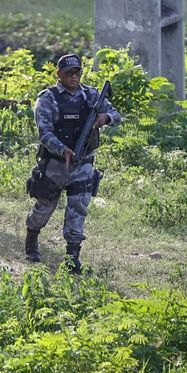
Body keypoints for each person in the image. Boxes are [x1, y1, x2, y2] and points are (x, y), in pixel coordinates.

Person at [24, 53, 121, 273]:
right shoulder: (48, 98)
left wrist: (105, 118)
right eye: (69, 73)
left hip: (83, 162)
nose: (74, 77)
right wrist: (63, 150)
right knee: (44, 207)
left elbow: (115, 114)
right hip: (55, 163)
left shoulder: (92, 95)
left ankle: (72, 258)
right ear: (59, 74)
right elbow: (44, 133)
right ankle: (32, 239)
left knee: (78, 208)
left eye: (78, 72)